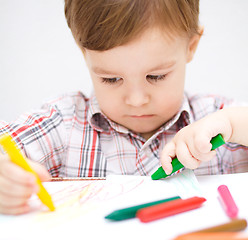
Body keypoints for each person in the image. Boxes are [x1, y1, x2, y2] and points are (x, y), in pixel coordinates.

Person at [0, 0, 247, 215]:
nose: (136, 100)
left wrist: (233, 124)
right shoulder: (63, 125)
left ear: (190, 47)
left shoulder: (219, 120)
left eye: (156, 76)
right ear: (85, 54)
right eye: (111, 79)